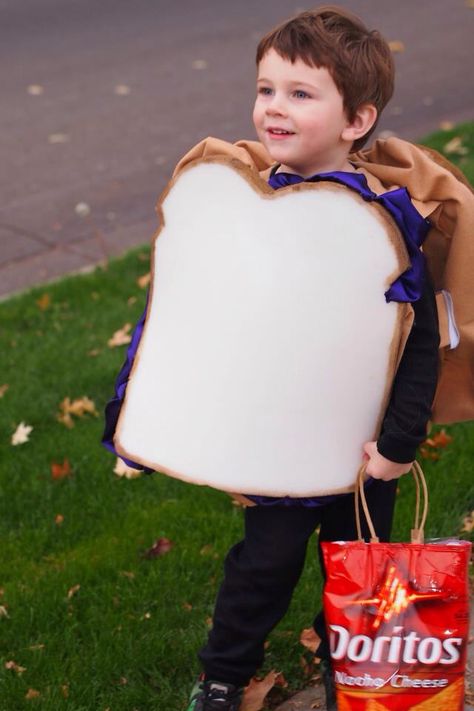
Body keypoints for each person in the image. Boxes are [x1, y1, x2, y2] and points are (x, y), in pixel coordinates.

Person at [181, 7, 440, 711]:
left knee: (357, 563)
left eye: (300, 93)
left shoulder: (384, 221)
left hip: (362, 447)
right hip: (282, 440)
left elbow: (415, 341)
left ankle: (348, 670)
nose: (274, 107)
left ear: (356, 119)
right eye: (267, 89)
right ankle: (224, 674)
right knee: (262, 563)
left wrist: (397, 443)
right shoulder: (251, 211)